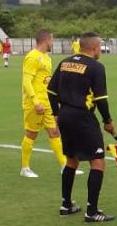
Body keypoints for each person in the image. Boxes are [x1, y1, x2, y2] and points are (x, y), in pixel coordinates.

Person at [48, 32, 117, 222]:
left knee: (71, 160)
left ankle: (66, 205)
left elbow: (51, 91)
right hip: (83, 117)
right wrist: (108, 121)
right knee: (98, 161)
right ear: (95, 47)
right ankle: (92, 211)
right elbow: (101, 99)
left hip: (64, 115)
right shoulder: (96, 67)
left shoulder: (64, 62)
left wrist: (55, 114)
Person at [19, 30, 75, 178]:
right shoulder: (32, 57)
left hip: (48, 102)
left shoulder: (47, 58)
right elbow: (26, 82)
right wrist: (35, 102)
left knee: (55, 132)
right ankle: (25, 168)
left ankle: (64, 166)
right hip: (34, 104)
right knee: (31, 133)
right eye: (52, 40)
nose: (53, 43)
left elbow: (47, 81)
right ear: (46, 40)